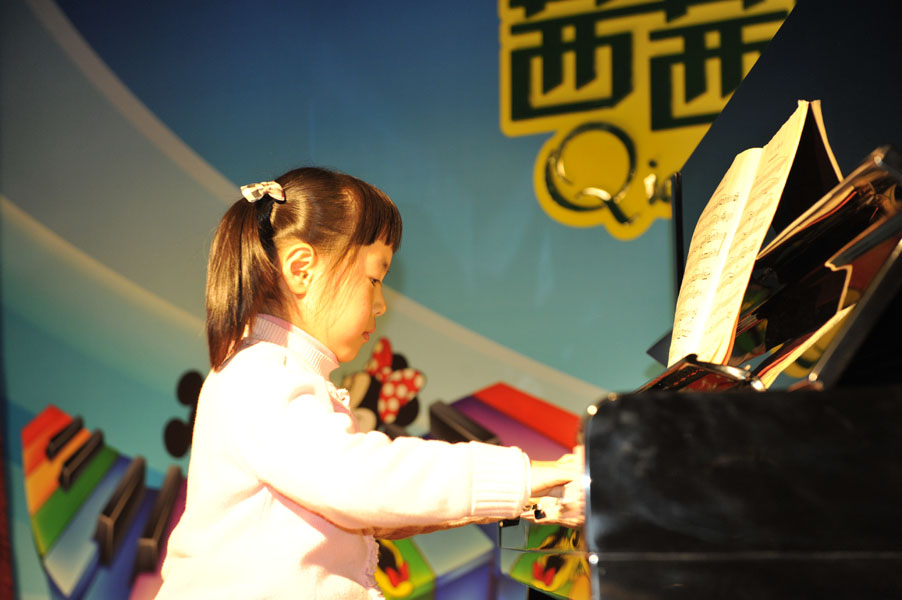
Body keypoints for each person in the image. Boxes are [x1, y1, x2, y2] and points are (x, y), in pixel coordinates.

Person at [155, 167, 582, 599]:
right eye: (375, 278)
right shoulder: (259, 374)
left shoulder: (283, 375)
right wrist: (526, 473)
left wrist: (537, 494)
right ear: (302, 269)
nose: (380, 304)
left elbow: (379, 510)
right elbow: (356, 480)